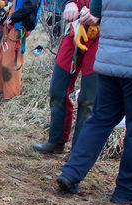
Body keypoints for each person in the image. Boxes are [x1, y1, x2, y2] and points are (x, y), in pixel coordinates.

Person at [57, 0, 132, 205]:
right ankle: (128, 189)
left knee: (100, 120)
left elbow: (96, 11)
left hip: (109, 62)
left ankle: (71, 173)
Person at [33, 0, 99, 154]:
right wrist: (68, 3)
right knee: (57, 91)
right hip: (73, 32)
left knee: (88, 100)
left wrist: (99, 13)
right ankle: (56, 141)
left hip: (101, 37)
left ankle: (78, 153)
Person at [0, 0, 42, 99]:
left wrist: (14, 18)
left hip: (20, 26)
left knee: (10, 64)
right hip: (13, 25)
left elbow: (30, 6)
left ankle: (11, 95)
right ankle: (4, 90)